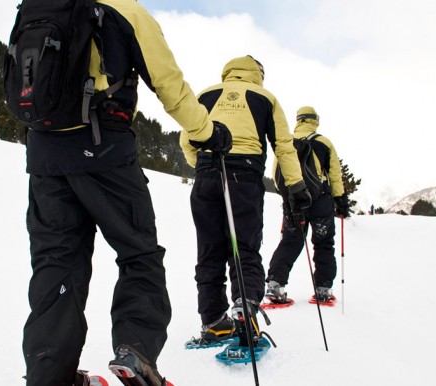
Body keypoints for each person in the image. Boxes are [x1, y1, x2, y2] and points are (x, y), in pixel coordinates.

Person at [19, 1, 231, 385]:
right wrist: (207, 132)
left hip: (44, 156)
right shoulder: (125, 10)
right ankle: (136, 353)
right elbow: (170, 86)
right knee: (139, 254)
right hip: (105, 150)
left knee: (56, 263)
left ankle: (49, 374)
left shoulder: (37, 6)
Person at [180, 56, 311, 347]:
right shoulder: (265, 97)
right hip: (244, 176)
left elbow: (186, 139)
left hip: (206, 175)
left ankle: (213, 323)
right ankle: (245, 312)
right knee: (244, 247)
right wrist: (296, 186)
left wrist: (200, 166)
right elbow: (283, 146)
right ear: (258, 74)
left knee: (209, 250)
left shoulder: (205, 94)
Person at [265, 106, 351, 305]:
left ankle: (275, 285)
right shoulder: (323, 142)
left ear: (298, 120)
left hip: (295, 202)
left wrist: (287, 197)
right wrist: (340, 200)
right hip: (321, 201)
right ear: (315, 120)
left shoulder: (286, 141)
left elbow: (277, 175)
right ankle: (323, 289)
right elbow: (335, 175)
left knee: (290, 241)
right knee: (323, 243)